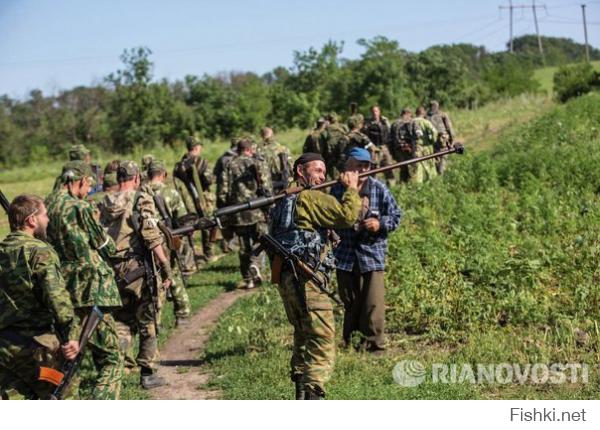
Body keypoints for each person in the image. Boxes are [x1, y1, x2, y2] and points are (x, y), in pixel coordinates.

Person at [268, 152, 361, 399]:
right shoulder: (309, 198)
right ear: (301, 171)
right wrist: (352, 189)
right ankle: (313, 393)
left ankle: (300, 388)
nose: (322, 176)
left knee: (303, 332)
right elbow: (347, 216)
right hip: (307, 279)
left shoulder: (282, 201)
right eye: (317, 171)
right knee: (322, 337)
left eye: (324, 171)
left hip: (287, 279)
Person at [45, 161, 123, 399]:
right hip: (89, 290)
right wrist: (116, 250)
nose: (88, 189)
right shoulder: (80, 207)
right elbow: (102, 243)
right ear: (78, 182)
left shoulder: (45, 205)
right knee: (112, 357)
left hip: (59, 291)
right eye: (87, 184)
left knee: (72, 359)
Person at [99, 161, 173, 389]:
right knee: (148, 320)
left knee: (122, 320)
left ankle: (115, 367)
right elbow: (151, 235)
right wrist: (165, 265)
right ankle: (148, 373)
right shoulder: (140, 198)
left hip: (113, 271)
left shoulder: (103, 203)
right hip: (138, 271)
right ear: (137, 178)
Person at [0, 195, 80, 399]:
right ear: (32, 220)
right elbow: (57, 298)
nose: (48, 220)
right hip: (39, 349)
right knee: (64, 394)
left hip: (5, 349)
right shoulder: (39, 251)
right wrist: (71, 335)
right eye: (44, 215)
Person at [331, 148, 401, 353]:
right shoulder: (336, 190)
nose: (363, 169)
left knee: (373, 302)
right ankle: (351, 342)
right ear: (348, 167)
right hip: (345, 255)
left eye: (366, 165)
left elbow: (396, 215)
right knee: (350, 301)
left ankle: (374, 345)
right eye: (358, 165)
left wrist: (379, 224)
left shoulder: (379, 188)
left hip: (372, 254)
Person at [218, 137, 272, 289]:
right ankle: (255, 264)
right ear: (249, 149)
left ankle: (248, 279)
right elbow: (266, 187)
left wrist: (224, 210)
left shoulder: (229, 165)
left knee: (243, 246)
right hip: (257, 210)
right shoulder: (257, 163)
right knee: (261, 240)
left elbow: (222, 191)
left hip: (237, 212)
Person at [145, 159, 193, 327]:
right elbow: (182, 219)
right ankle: (182, 314)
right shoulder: (170, 193)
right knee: (173, 275)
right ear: (163, 174)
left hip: (145, 243)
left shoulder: (140, 193)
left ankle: (153, 320)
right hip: (166, 242)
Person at [174, 135, 216, 262]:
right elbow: (208, 180)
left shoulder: (179, 165)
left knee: (190, 227)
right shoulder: (201, 162)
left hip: (187, 201)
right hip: (203, 199)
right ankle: (209, 254)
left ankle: (190, 257)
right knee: (209, 224)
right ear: (197, 147)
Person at [214, 138, 239, 254]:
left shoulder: (222, 158)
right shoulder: (238, 158)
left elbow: (215, 174)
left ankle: (227, 244)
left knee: (225, 220)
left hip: (222, 191)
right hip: (234, 192)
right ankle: (233, 244)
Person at [362, 105, 396, 185]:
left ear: (379, 112)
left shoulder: (384, 121)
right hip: (374, 148)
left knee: (389, 166)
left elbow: (390, 133)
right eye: (373, 111)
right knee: (374, 169)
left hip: (384, 147)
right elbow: (364, 136)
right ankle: (373, 185)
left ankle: (392, 185)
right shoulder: (367, 123)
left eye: (376, 111)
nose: (375, 113)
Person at [258, 127, 292, 194]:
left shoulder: (258, 151)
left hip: (266, 186)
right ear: (272, 135)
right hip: (283, 183)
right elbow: (291, 166)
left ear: (261, 136)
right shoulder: (283, 149)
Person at [428, 101, 455, 175]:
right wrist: (452, 140)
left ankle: (437, 174)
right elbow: (449, 128)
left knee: (435, 159)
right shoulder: (443, 114)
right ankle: (442, 175)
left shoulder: (426, 116)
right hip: (442, 140)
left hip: (431, 142)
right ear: (438, 106)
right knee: (443, 159)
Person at [412, 106, 438, 183]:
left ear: (416, 113)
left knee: (418, 167)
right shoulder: (425, 122)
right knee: (429, 165)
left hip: (415, 147)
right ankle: (431, 182)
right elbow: (434, 131)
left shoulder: (411, 122)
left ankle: (418, 184)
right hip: (426, 147)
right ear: (423, 113)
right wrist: (432, 140)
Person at [320, 112, 348, 179]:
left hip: (331, 157)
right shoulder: (343, 127)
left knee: (333, 178)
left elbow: (322, 143)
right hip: (343, 155)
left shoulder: (326, 129)